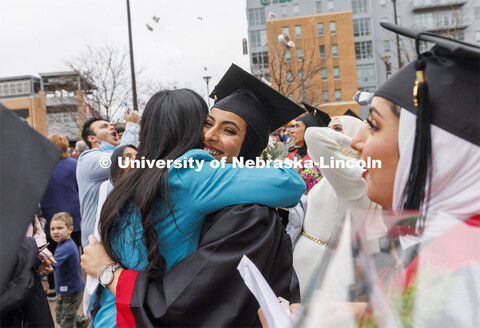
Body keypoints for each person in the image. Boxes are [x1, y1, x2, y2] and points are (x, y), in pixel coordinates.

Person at [81, 64, 308, 327]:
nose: (210, 136)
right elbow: (291, 182)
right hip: (132, 315)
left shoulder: (137, 177)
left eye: (229, 130)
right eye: (207, 124)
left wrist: (108, 273)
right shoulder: (194, 174)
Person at [294, 23, 480, 327]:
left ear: (429, 148)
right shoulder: (441, 241)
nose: (356, 143)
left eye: (375, 125)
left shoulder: (463, 267)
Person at [293, 114, 372, 297]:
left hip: (319, 260)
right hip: (310, 255)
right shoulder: (341, 170)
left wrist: (354, 143)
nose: (329, 133)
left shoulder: (355, 172)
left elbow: (313, 135)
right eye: (329, 129)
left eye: (337, 129)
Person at [82, 144, 138, 314]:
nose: (134, 160)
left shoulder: (145, 193)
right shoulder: (103, 190)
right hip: (103, 270)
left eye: (137, 156)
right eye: (127, 156)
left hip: (130, 276)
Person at [76, 110, 139, 248]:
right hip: (97, 242)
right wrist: (132, 125)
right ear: (92, 138)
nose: (111, 127)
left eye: (111, 125)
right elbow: (124, 158)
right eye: (104, 126)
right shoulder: (88, 158)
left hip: (118, 236)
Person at [40, 133, 82, 301]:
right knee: (74, 253)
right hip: (73, 217)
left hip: (51, 218)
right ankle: (74, 288)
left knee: (50, 254)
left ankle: (52, 288)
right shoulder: (75, 165)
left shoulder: (41, 168)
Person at [50, 212, 90, 328]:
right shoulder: (62, 243)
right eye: (52, 229)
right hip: (62, 290)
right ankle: (83, 321)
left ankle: (80, 321)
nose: (55, 231)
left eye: (59, 228)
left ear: (70, 229)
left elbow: (52, 264)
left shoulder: (66, 247)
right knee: (60, 317)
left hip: (71, 291)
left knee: (66, 323)